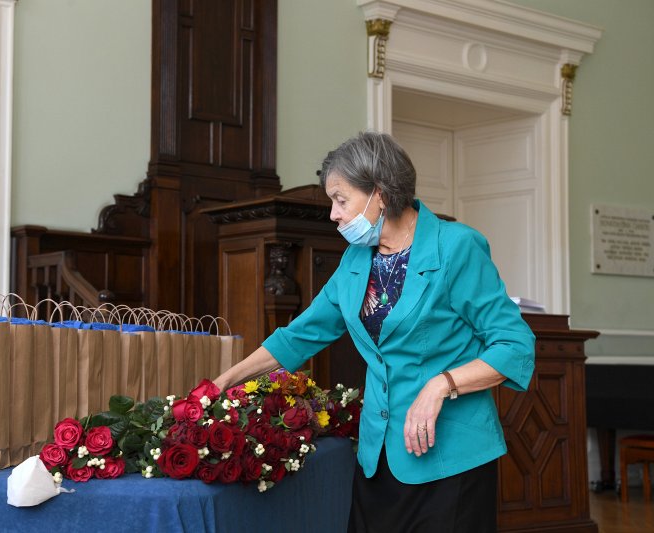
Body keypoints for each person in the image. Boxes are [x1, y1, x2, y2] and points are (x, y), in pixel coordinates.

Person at [213, 131, 535, 532]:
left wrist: (441, 385)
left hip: (450, 458)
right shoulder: (354, 259)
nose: (333, 214)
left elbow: (515, 344)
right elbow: (299, 335)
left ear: (380, 193)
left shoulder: (457, 248)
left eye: (341, 199)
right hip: (378, 456)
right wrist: (224, 382)